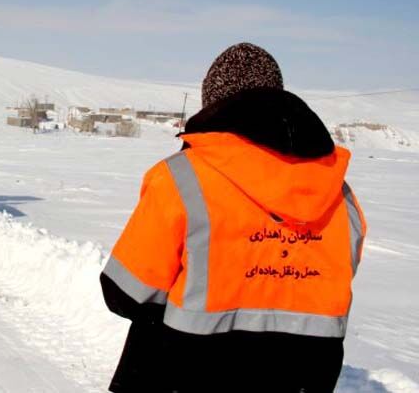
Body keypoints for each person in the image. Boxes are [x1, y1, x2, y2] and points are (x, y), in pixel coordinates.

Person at [100, 43, 366, 392]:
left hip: (189, 372)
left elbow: (124, 293)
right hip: (304, 377)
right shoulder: (339, 192)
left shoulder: (181, 177)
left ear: (212, 102)